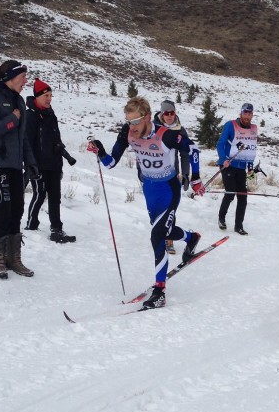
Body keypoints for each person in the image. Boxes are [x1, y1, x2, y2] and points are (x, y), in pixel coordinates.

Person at [87, 96, 205, 309]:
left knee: (157, 235)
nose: (131, 127)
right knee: (165, 232)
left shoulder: (166, 135)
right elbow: (111, 163)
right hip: (150, 191)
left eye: (135, 121)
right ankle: (191, 237)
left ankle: (160, 291)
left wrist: (195, 179)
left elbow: (194, 150)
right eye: (128, 121)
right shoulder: (127, 132)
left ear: (148, 117)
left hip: (169, 190)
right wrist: (100, 150)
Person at [0, 59, 37, 278]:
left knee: (17, 208)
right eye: (23, 77)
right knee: (3, 207)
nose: (25, 81)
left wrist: (31, 163)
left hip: (14, 163)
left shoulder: (18, 100)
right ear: (10, 77)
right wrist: (12, 118)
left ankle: (14, 258)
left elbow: (23, 139)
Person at [24, 79, 77, 243]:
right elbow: (28, 143)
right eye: (46, 95)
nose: (49, 99)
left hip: (54, 164)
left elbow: (56, 138)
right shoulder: (30, 116)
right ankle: (31, 226)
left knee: (55, 197)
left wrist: (61, 153)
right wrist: (31, 165)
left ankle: (57, 229)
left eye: (51, 96)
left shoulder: (51, 114)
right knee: (39, 195)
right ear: (37, 96)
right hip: (38, 165)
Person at [154, 98, 191, 254]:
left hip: (172, 175)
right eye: (166, 113)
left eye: (172, 112)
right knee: (157, 208)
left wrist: (186, 174)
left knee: (170, 210)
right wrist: (141, 171)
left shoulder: (180, 130)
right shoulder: (152, 128)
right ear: (162, 113)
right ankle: (158, 235)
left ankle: (168, 240)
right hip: (154, 175)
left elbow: (185, 154)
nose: (169, 116)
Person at [217, 103, 258, 235]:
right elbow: (221, 144)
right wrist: (224, 159)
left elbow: (251, 150)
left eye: (249, 113)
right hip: (228, 164)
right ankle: (221, 218)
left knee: (243, 196)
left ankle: (238, 226)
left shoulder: (253, 129)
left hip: (241, 166)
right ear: (241, 113)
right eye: (245, 113)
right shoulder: (230, 125)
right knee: (230, 193)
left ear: (252, 115)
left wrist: (250, 170)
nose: (247, 116)